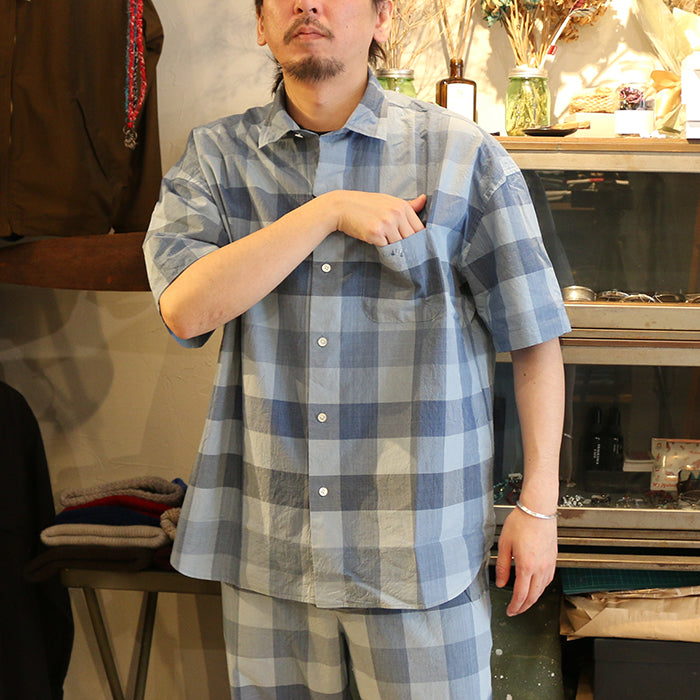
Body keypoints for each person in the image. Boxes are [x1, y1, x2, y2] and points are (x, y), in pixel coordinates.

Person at [143, 1, 571, 697]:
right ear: (260, 25)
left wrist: (538, 508)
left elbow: (535, 340)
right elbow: (186, 308)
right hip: (270, 548)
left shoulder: (461, 155)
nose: (307, 5)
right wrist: (328, 210)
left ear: (381, 19)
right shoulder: (217, 158)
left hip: (417, 552)